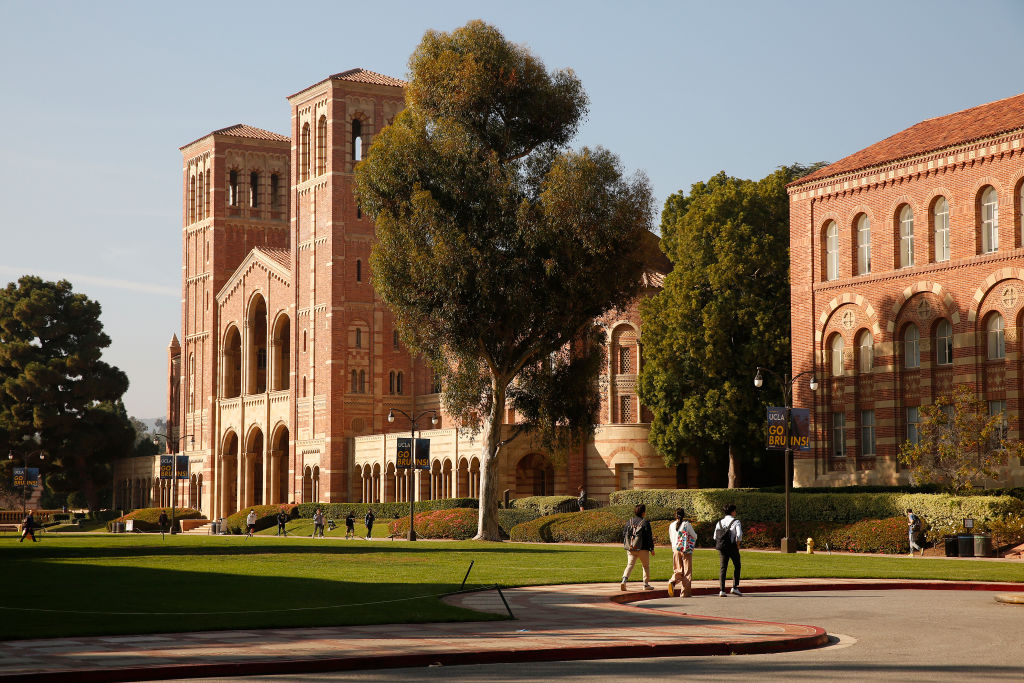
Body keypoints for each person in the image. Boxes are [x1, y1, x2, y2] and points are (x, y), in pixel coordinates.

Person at [620, 503, 655, 591]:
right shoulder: (645, 523)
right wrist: (652, 549)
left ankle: (624, 580)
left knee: (630, 565)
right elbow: (649, 537)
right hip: (643, 548)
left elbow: (624, 534)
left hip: (631, 548)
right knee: (645, 566)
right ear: (643, 513)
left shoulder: (630, 521)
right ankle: (646, 584)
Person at [667, 507, 697, 598]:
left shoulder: (671, 525)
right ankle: (685, 593)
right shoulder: (686, 524)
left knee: (678, 570)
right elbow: (694, 536)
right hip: (685, 550)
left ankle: (672, 581)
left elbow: (671, 538)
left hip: (675, 549)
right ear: (683, 515)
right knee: (687, 572)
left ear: (675, 515)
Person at [713, 503, 742, 596]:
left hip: (722, 547)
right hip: (732, 546)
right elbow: (739, 535)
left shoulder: (719, 522)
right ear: (732, 511)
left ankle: (722, 590)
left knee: (723, 568)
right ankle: (734, 587)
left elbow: (714, 536)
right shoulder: (736, 522)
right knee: (737, 565)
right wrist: (738, 544)